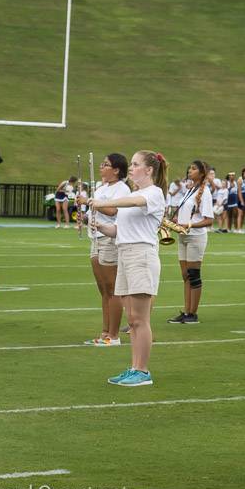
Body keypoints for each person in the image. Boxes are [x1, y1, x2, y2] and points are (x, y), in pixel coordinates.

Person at [90, 151, 169, 387]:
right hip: (125, 253)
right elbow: (119, 230)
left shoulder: (153, 193)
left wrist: (103, 202)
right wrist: (100, 226)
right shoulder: (135, 194)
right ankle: (134, 367)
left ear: (149, 170)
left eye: (136, 164)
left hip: (141, 255)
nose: (131, 168)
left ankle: (142, 371)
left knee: (140, 319)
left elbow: (133, 203)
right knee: (132, 318)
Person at [84, 154, 130, 347]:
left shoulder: (122, 189)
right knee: (103, 290)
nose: (101, 167)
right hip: (96, 238)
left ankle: (114, 335)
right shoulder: (102, 188)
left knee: (113, 289)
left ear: (116, 170)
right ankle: (105, 332)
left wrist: (92, 203)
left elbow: (114, 211)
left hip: (110, 239)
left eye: (106, 165)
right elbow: (90, 213)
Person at [168, 160, 215, 325]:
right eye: (189, 168)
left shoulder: (205, 192)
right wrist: (175, 220)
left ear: (202, 173)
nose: (190, 170)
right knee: (185, 276)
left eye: (194, 169)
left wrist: (188, 224)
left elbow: (209, 220)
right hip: (183, 236)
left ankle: (193, 313)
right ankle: (186, 311)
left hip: (195, 236)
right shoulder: (190, 190)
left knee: (193, 275)